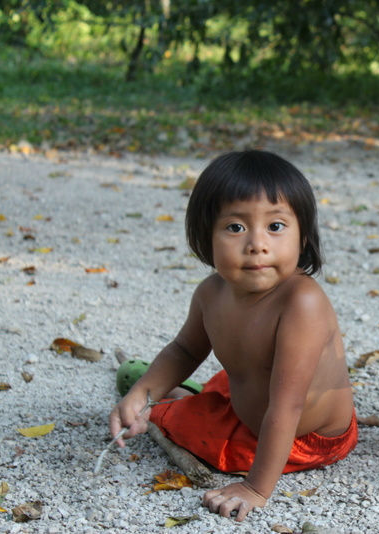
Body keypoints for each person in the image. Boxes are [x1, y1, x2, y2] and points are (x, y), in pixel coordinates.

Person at [109, 150, 357, 521]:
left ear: (303, 237)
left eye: (275, 226)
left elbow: (287, 405)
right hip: (261, 400)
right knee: (226, 380)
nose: (257, 244)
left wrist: (255, 487)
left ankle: (174, 403)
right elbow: (184, 349)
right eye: (236, 227)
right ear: (205, 237)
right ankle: (165, 392)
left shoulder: (301, 303)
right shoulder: (211, 293)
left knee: (193, 430)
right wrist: (142, 393)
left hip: (304, 438)